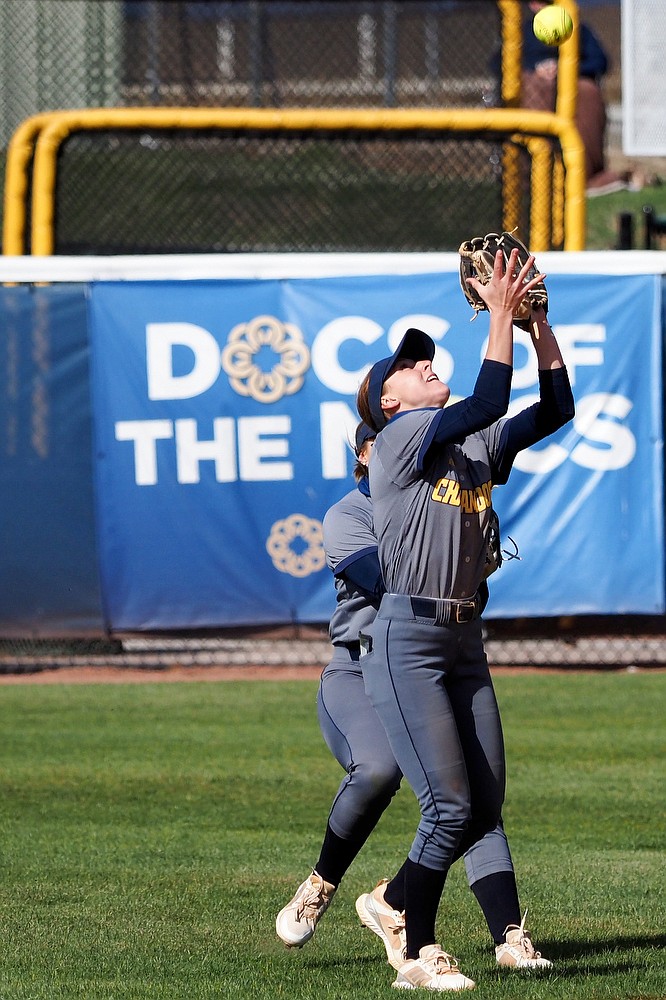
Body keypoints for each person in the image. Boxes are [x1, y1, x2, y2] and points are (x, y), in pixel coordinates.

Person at [353, 247, 574, 990]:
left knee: (483, 801)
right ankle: (417, 954)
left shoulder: (471, 444)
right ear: (388, 401)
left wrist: (538, 326)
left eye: (423, 361)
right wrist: (503, 312)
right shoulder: (399, 440)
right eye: (406, 369)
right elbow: (484, 402)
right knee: (447, 807)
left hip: (463, 639)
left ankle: (410, 907)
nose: (421, 367)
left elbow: (554, 410)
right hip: (406, 639)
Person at [275, 419, 553, 976]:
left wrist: (469, 548)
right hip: (359, 669)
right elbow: (396, 581)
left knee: (474, 796)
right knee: (378, 768)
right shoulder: (347, 516)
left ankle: (506, 934)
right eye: (387, 436)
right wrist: (455, 552)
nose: (408, 444)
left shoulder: (435, 507)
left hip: (432, 668)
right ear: (364, 454)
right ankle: (323, 881)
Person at [521, 0, 626, 195]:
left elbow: (600, 61)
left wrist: (566, 69)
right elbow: (500, 63)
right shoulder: (520, 31)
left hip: (573, 81)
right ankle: (533, 176)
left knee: (587, 91)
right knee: (532, 88)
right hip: (536, 81)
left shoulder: (580, 29)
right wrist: (536, 68)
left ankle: (584, 176)